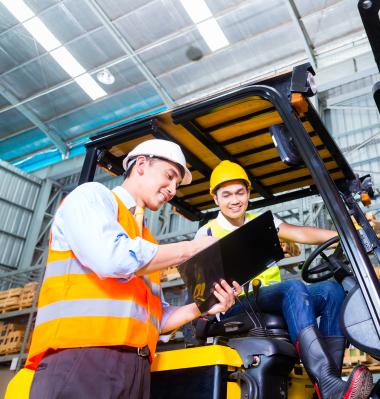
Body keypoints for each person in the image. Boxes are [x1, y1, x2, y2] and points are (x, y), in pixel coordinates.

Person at [21, 140, 240, 399]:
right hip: (83, 359)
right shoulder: (91, 197)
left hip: (135, 367)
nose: (172, 190)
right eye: (169, 177)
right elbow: (111, 259)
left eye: (176, 185)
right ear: (141, 165)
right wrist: (192, 248)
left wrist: (203, 306)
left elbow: (155, 320)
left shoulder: (147, 242)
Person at [194, 160, 373, 399]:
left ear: (248, 193)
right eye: (226, 195)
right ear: (216, 199)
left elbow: (299, 232)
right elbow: (201, 287)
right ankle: (326, 381)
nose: (234, 200)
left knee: (331, 290)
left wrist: (347, 237)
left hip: (269, 297)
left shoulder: (261, 222)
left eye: (239, 193)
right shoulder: (207, 233)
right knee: (293, 287)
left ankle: (330, 384)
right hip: (233, 304)